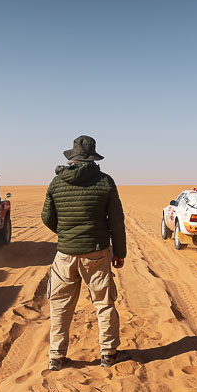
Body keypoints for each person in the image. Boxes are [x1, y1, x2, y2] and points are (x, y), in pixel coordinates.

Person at [41, 135, 127, 370]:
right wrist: (119, 252)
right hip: (96, 254)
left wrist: (66, 233)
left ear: (73, 157)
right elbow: (117, 221)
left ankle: (56, 357)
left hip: (65, 255)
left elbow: (46, 217)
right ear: (92, 158)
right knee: (104, 303)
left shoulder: (56, 183)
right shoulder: (105, 182)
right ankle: (108, 354)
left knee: (60, 305)